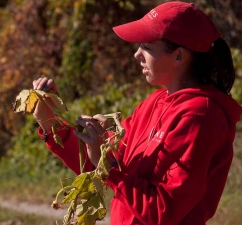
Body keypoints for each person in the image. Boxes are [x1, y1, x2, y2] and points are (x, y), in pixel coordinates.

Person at [32, 1, 242, 225]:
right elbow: (97, 166)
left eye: (147, 48)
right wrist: (50, 121)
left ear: (179, 56)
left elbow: (163, 211)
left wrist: (109, 166)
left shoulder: (201, 117)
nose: (136, 55)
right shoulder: (153, 104)